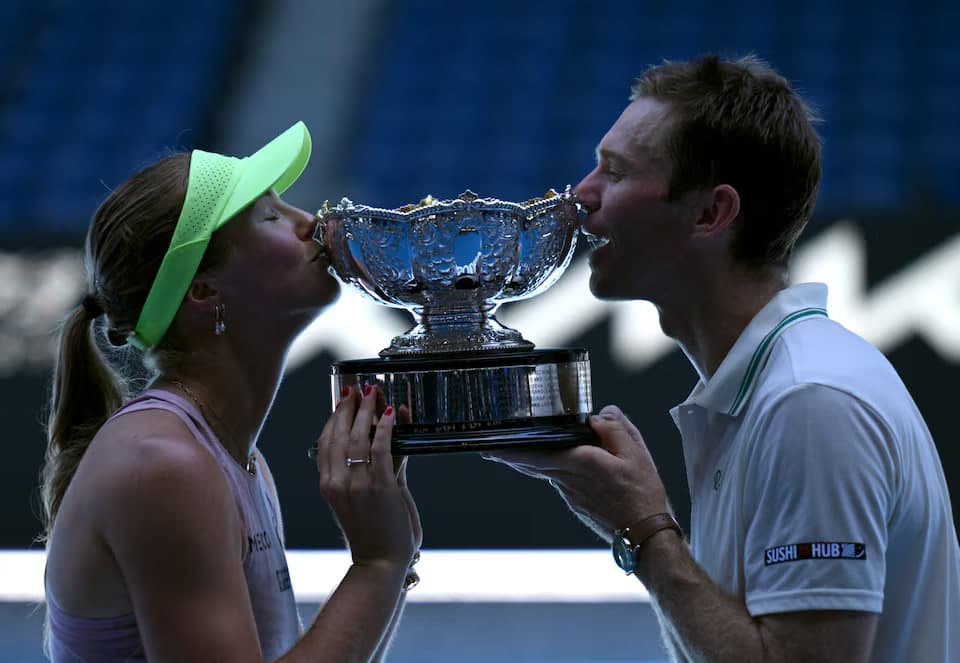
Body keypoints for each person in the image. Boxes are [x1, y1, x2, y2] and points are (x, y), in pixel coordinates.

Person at [487, 54, 960, 662]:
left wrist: (645, 531)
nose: (582, 194)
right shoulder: (780, 385)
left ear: (711, 214)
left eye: (617, 171)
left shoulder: (809, 403)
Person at [39, 121, 422, 662]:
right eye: (271, 216)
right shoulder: (162, 463)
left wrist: (393, 560)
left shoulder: (235, 461)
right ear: (203, 290)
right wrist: (378, 563)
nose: (310, 223)